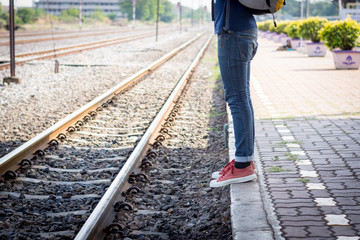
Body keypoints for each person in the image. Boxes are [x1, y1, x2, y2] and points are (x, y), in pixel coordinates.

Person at [210, 0, 258, 188]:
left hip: (233, 33)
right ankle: (245, 160)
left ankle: (243, 165)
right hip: (243, 31)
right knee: (242, 97)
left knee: (237, 98)